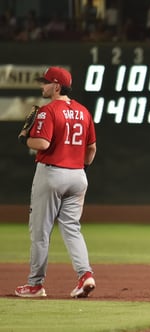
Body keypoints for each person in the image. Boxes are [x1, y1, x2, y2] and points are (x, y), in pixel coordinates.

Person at [15, 67, 97, 298]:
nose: (43, 86)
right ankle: (85, 275)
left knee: (40, 231)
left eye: (46, 82)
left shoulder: (48, 111)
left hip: (52, 174)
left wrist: (24, 139)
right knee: (72, 228)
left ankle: (35, 284)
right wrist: (81, 168)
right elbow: (91, 149)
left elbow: (41, 144)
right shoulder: (83, 111)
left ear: (57, 86)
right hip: (78, 175)